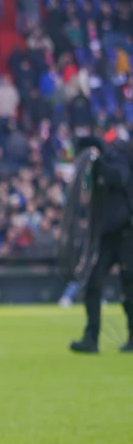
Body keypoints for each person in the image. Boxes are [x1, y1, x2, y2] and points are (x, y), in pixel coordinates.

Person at [70, 138, 133, 353]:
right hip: (105, 235)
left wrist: (98, 164)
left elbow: (121, 178)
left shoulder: (116, 160)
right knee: (93, 284)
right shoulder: (96, 168)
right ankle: (91, 338)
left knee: (130, 288)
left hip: (126, 234)